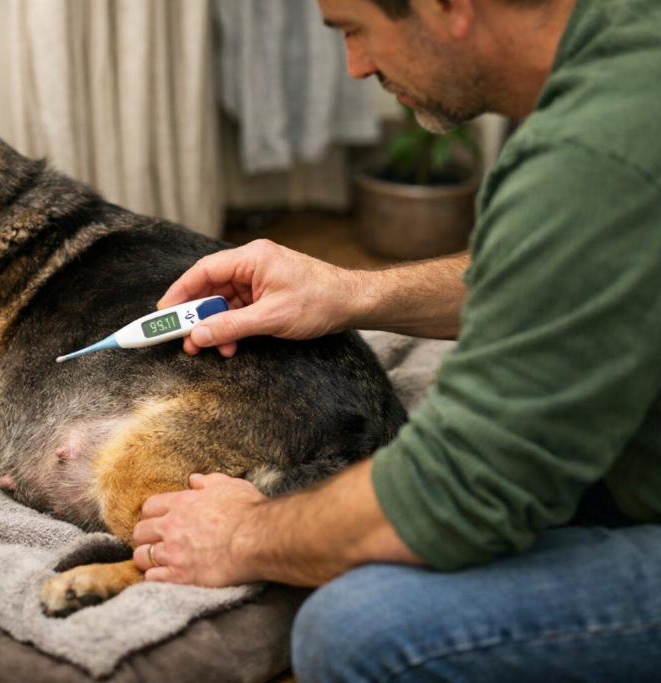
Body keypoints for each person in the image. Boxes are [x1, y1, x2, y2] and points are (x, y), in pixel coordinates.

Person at [129, 0, 661, 680]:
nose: (355, 67)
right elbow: (571, 265)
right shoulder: (623, 45)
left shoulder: (593, 150)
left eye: (356, 29)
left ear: (449, 7)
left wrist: (241, 534)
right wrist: (353, 293)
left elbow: (458, 492)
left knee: (359, 627)